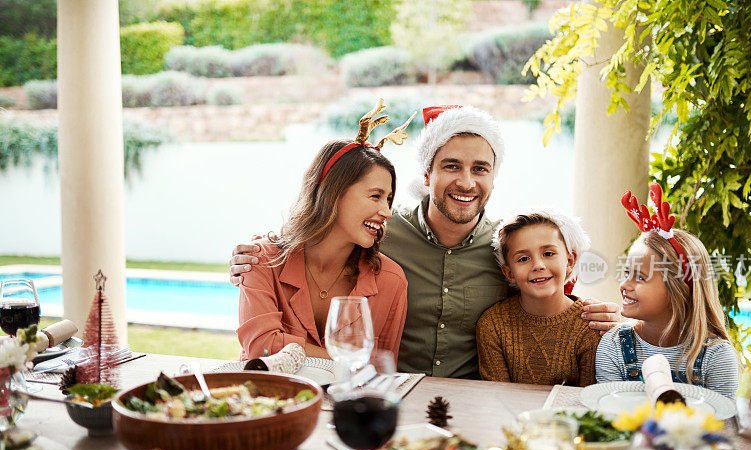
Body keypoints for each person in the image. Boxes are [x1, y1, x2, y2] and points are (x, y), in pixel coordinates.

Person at [231, 105, 621, 377]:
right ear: (427, 174)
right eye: (451, 166)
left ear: (492, 178)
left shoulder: (507, 249)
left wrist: (602, 318)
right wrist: (251, 259)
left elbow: (548, 286)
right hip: (394, 395)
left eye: (480, 169)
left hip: (472, 395)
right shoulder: (380, 236)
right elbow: (317, 234)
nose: (466, 182)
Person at [237, 101, 410, 361]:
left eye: (388, 199)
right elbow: (260, 348)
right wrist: (348, 361)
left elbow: (381, 369)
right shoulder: (261, 261)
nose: (386, 211)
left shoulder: (391, 281)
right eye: (375, 196)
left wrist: (289, 348)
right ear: (334, 193)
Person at [595, 184, 739, 399]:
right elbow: (608, 416)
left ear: (678, 288)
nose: (625, 285)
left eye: (640, 277)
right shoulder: (613, 345)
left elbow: (723, 425)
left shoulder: (716, 357)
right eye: (626, 273)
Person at [477, 208, 601, 385]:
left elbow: (588, 402)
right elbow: (497, 397)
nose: (538, 265)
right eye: (523, 259)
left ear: (570, 261)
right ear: (509, 273)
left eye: (549, 254)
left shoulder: (590, 326)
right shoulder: (493, 325)